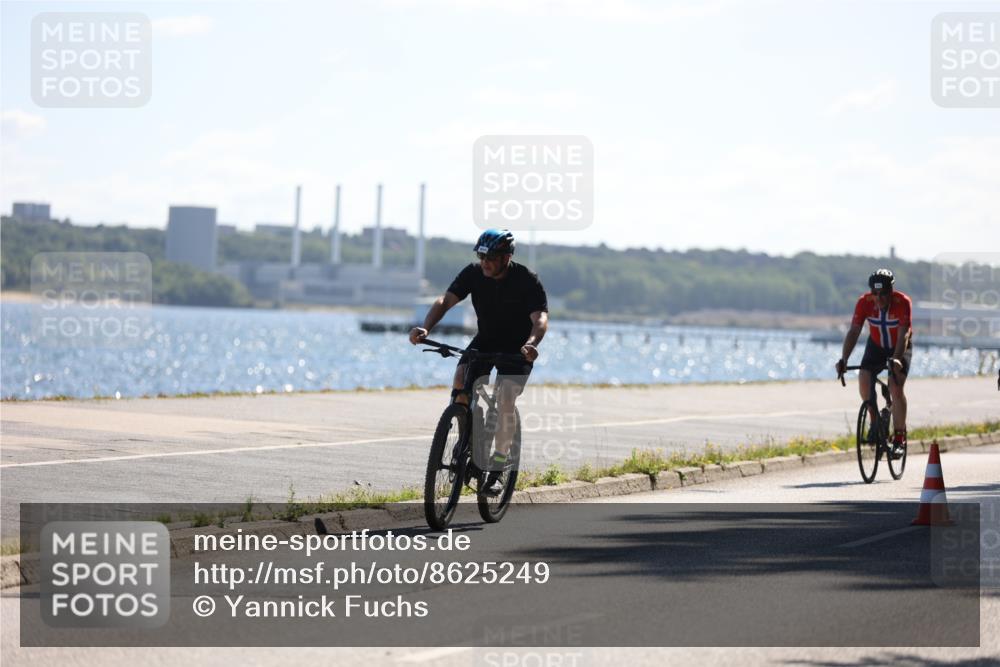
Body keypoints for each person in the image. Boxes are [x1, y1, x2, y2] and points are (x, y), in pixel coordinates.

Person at [409, 229, 548, 494]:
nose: (485, 261)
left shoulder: (527, 281)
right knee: (461, 378)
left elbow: (540, 318)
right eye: (481, 255)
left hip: (518, 348)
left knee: (505, 398)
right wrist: (426, 328)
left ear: (507, 257)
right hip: (486, 341)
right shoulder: (473, 273)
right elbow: (445, 300)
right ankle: (466, 432)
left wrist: (531, 344)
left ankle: (496, 467)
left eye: (492, 257)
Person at [836, 269, 913, 455]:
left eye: (884, 293)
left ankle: (900, 438)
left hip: (900, 347)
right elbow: (854, 331)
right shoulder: (864, 302)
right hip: (876, 346)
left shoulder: (902, 302)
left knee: (895, 387)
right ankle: (875, 423)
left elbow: (904, 334)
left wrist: (896, 358)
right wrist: (844, 359)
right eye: (875, 293)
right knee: (864, 377)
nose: (879, 298)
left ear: (891, 291)